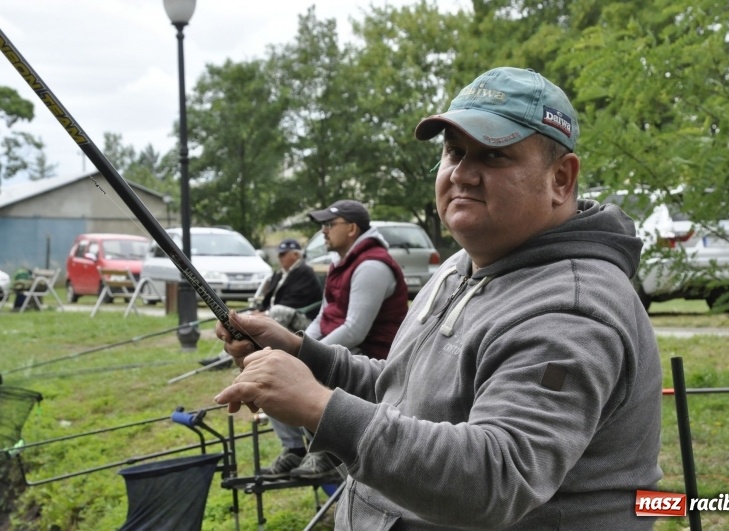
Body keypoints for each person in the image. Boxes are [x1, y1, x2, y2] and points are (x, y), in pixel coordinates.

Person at [214, 67, 662, 530]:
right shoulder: (461, 266)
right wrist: (304, 355)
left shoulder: (571, 309)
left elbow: (496, 478)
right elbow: (405, 390)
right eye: (454, 152)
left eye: (493, 155)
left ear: (561, 179)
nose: (462, 173)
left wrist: (319, 407)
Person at [259, 199, 409, 481]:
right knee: (272, 368)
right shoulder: (341, 263)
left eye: (330, 224)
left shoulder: (372, 265)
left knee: (294, 373)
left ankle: (327, 453)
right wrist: (297, 346)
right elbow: (323, 317)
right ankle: (294, 449)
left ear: (352, 228)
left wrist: (309, 356)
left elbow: (355, 330)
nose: (324, 231)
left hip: (371, 357)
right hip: (347, 348)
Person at [199, 238, 321, 369]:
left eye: (283, 254)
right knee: (242, 317)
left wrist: (266, 313)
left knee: (277, 311)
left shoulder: (305, 272)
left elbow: (296, 301)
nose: (280, 257)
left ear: (295, 255)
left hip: (302, 318)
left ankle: (239, 357)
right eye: (279, 254)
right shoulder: (280, 273)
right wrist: (259, 310)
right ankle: (226, 356)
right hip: (277, 313)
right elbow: (269, 299)